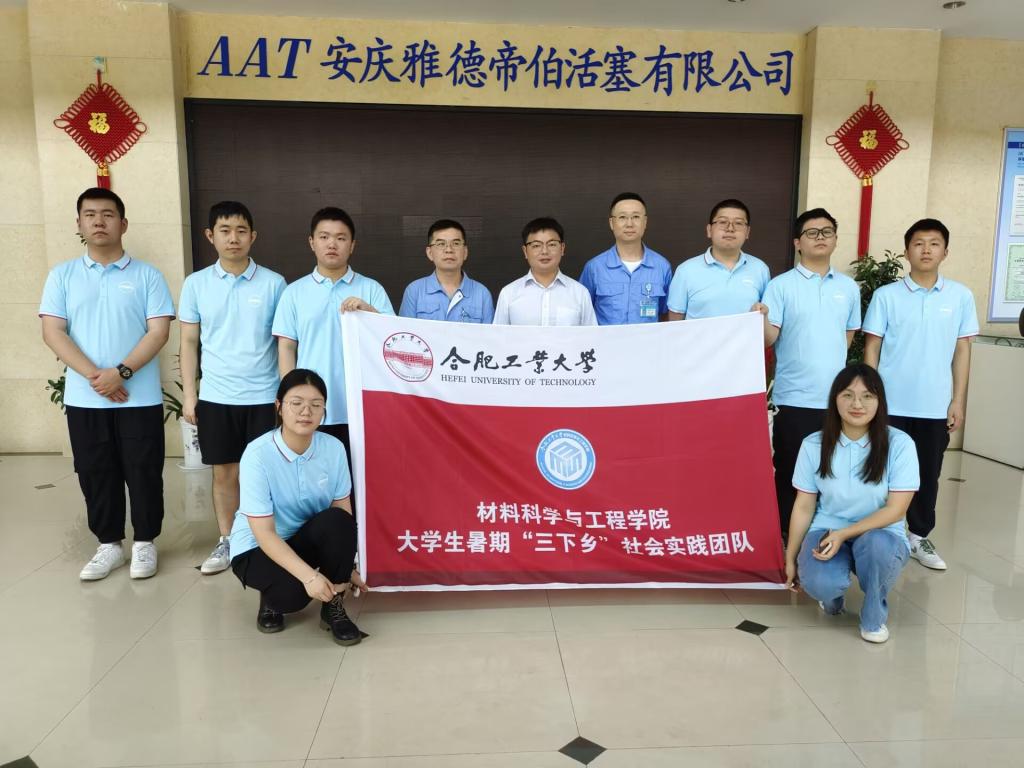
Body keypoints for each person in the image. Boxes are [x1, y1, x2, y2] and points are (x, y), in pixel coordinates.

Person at [39, 188, 174, 581]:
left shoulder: (148, 276)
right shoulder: (62, 275)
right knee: (94, 471)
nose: (99, 221)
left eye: (108, 214)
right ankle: (109, 545)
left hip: (138, 397)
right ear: (79, 224)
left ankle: (145, 542)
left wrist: (122, 373)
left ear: (123, 224)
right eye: (90, 214)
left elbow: (158, 332)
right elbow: (53, 332)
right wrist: (96, 377)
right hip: (86, 399)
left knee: (144, 470)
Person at [864, 219, 979, 571]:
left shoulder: (960, 296)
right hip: (890, 404)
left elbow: (962, 351)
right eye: (918, 243)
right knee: (880, 470)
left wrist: (957, 400)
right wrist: (870, 397)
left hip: (934, 405)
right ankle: (881, 531)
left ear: (945, 251)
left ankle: (918, 536)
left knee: (928, 473)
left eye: (934, 243)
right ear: (906, 251)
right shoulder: (887, 296)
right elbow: (872, 348)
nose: (926, 250)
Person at [179, 201, 286, 575]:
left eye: (241, 231)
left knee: (265, 473)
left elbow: (283, 342)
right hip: (217, 396)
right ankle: (227, 539)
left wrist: (284, 395)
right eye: (225, 231)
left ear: (253, 236)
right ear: (211, 236)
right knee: (224, 473)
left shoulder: (274, 283)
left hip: (264, 396)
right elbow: (188, 342)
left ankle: (265, 539)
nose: (233, 238)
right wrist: (190, 395)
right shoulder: (196, 284)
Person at [229, 369, 366, 645]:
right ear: (279, 406)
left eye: (316, 404)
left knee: (338, 520)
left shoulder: (334, 448)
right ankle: (270, 600)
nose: (306, 411)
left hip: (304, 537)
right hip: (257, 546)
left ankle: (333, 607)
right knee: (290, 597)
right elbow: (264, 533)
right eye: (297, 403)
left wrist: (344, 567)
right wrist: (311, 577)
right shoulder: (257, 455)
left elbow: (342, 514)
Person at [785, 364, 919, 644]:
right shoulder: (813, 445)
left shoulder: (900, 444)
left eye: (867, 396)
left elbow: (896, 509)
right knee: (821, 583)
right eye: (848, 395)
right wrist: (791, 557)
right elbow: (804, 507)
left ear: (880, 401)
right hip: (827, 530)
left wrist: (844, 533)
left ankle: (873, 616)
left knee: (877, 546)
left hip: (881, 534)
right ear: (834, 399)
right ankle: (832, 597)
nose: (857, 404)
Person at [753, 208, 860, 538]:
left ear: (836, 239)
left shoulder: (848, 288)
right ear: (798, 243)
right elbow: (769, 338)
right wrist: (760, 318)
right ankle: (785, 535)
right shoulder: (780, 286)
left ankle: (824, 533)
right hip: (794, 397)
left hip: (836, 401)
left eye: (827, 232)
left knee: (831, 471)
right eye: (812, 233)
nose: (820, 238)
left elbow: (848, 335)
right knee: (790, 469)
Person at [273, 207, 394, 462]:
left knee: (359, 475)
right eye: (324, 237)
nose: (332, 244)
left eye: (340, 238)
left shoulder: (371, 289)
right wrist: (290, 397)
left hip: (361, 405)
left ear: (352, 245)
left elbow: (391, 343)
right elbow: (286, 348)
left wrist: (369, 312)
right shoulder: (294, 292)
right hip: (310, 407)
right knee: (313, 475)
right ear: (312, 242)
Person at [667, 199, 770, 320]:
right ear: (709, 230)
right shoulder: (685, 271)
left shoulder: (760, 269)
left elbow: (766, 317)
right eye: (723, 222)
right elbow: (675, 323)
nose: (730, 228)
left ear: (747, 232)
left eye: (738, 223)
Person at [579, 192, 672, 325]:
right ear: (612, 223)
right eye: (622, 217)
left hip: (648, 339)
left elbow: (665, 315)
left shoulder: (662, 267)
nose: (629, 224)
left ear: (645, 222)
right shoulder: (594, 268)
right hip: (606, 339)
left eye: (636, 217)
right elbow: (583, 313)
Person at [493, 217, 597, 326]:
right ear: (525, 251)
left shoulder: (580, 293)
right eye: (536, 245)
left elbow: (591, 336)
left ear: (562, 248)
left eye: (551, 244)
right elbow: (497, 336)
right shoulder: (508, 294)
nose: (544, 251)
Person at [399, 219, 494, 323]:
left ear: (465, 252)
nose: (449, 250)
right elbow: (405, 331)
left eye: (456, 243)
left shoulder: (482, 294)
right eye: (441, 244)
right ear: (430, 253)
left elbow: (489, 333)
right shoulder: (414, 291)